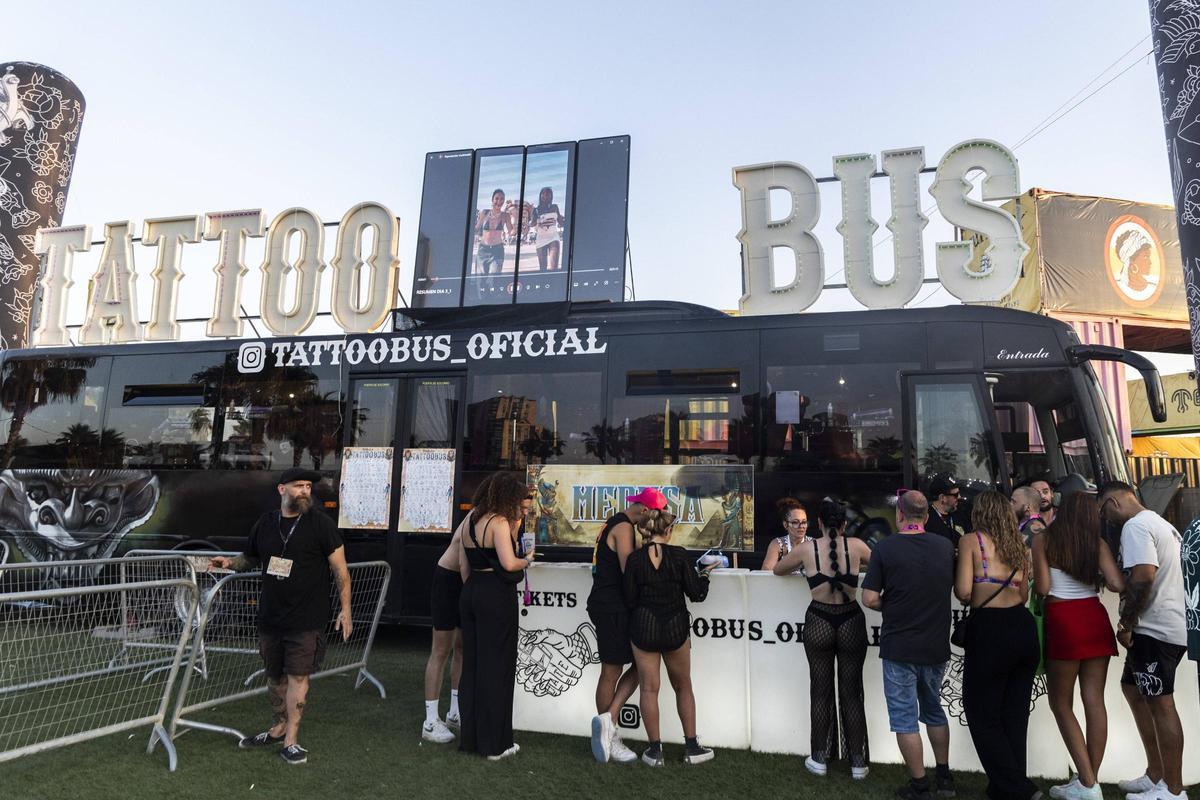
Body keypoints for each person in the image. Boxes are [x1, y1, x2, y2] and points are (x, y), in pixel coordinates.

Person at [210, 467, 352, 766]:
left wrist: (346, 610)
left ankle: (291, 740)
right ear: (281, 489)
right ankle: (279, 726)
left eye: (308, 486)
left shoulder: (321, 524)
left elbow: (341, 570)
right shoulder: (266, 523)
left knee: (298, 676)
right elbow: (250, 558)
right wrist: (228, 563)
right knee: (275, 676)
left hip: (307, 618)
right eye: (299, 486)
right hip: (271, 615)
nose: (305, 491)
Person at [861, 490, 956, 800]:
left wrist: (892, 605)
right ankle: (944, 777)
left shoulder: (885, 548)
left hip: (900, 646)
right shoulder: (944, 546)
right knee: (934, 710)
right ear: (926, 516)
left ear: (899, 514)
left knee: (905, 718)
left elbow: (869, 598)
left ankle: (920, 786)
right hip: (936, 644)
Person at [1098, 482, 1188, 800]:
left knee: (1161, 703)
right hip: (1163, 624)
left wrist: (1126, 622)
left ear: (1113, 502)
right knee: (1133, 689)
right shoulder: (1158, 523)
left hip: (1155, 628)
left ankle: (1173, 790)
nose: (1105, 518)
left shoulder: (1136, 527)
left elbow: (1144, 575)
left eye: (1103, 511)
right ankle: (1156, 774)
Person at [1032, 493, 1123, 800]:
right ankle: (1088, 781)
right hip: (1094, 617)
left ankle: (1087, 782)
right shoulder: (1097, 544)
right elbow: (1116, 584)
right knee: (1094, 700)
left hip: (1063, 620)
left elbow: (1043, 588)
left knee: (1061, 703)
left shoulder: (1043, 540)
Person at [772, 497, 872, 779]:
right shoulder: (857, 546)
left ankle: (819, 757)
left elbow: (777, 570)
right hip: (851, 619)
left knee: (820, 690)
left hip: (819, 619)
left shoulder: (806, 549)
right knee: (852, 692)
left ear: (818, 523)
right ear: (844, 524)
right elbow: (883, 565)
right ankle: (857, 762)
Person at [955, 490, 1040, 800]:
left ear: (980, 513)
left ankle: (1019, 788)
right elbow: (1024, 595)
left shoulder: (971, 541)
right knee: (1015, 716)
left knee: (981, 713)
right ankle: (1003, 789)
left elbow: (964, 591)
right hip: (1023, 628)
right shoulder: (1019, 544)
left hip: (990, 630)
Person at [622, 509, 716, 766]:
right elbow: (696, 594)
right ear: (668, 531)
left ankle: (655, 752)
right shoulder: (680, 555)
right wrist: (705, 574)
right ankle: (692, 747)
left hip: (644, 627)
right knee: (683, 686)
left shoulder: (634, 560)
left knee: (649, 688)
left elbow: (629, 598)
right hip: (675, 627)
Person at [588, 487, 668, 764]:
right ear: (644, 510)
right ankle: (609, 734)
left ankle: (607, 722)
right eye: (655, 515)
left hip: (610, 605)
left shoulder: (617, 522)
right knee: (612, 671)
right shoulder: (623, 527)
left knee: (640, 665)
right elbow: (630, 571)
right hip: (612, 606)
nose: (655, 522)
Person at [458, 472, 534, 760]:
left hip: (471, 591)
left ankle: (471, 739)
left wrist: (473, 590)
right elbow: (509, 563)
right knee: (497, 667)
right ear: (507, 497)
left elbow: (463, 565)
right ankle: (495, 744)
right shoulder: (499, 522)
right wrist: (527, 560)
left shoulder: (471, 520)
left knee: (473, 667)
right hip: (495, 595)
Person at [422, 489, 484, 744]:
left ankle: (455, 713)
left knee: (462, 648)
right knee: (441, 650)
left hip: (463, 583)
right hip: (449, 581)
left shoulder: (495, 519)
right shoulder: (475, 517)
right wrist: (473, 595)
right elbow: (462, 562)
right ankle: (429, 721)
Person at [474, 189, 514, 293]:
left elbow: (511, 232)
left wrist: (517, 218)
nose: (499, 201)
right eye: (496, 198)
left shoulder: (505, 215)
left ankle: (492, 299)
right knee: (480, 281)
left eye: (502, 199)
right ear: (492, 200)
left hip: (497, 250)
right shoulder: (484, 213)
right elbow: (476, 228)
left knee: (493, 280)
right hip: (483, 250)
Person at [760, 497, 809, 574]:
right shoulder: (778, 544)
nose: (801, 526)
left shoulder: (813, 544)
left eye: (804, 522)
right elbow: (766, 572)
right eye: (795, 522)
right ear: (785, 524)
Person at [925, 473, 965, 548]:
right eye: (956, 495)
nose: (959, 497)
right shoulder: (927, 519)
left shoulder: (960, 514)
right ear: (943, 498)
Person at [532, 187, 563, 271]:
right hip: (541, 239)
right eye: (543, 194)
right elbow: (532, 224)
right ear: (540, 195)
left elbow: (561, 222)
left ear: (551, 196)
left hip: (554, 238)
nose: (545, 196)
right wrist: (531, 217)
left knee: (554, 268)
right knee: (543, 268)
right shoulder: (536, 210)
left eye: (548, 194)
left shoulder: (555, 207)